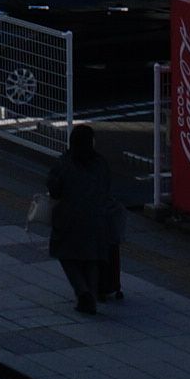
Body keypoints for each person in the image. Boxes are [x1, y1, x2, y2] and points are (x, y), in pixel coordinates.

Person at [38, 122, 126, 312]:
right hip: (98, 220)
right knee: (92, 258)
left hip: (69, 220)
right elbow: (106, 188)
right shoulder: (100, 163)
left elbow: (54, 190)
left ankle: (82, 291)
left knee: (65, 254)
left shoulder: (65, 163)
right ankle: (91, 295)